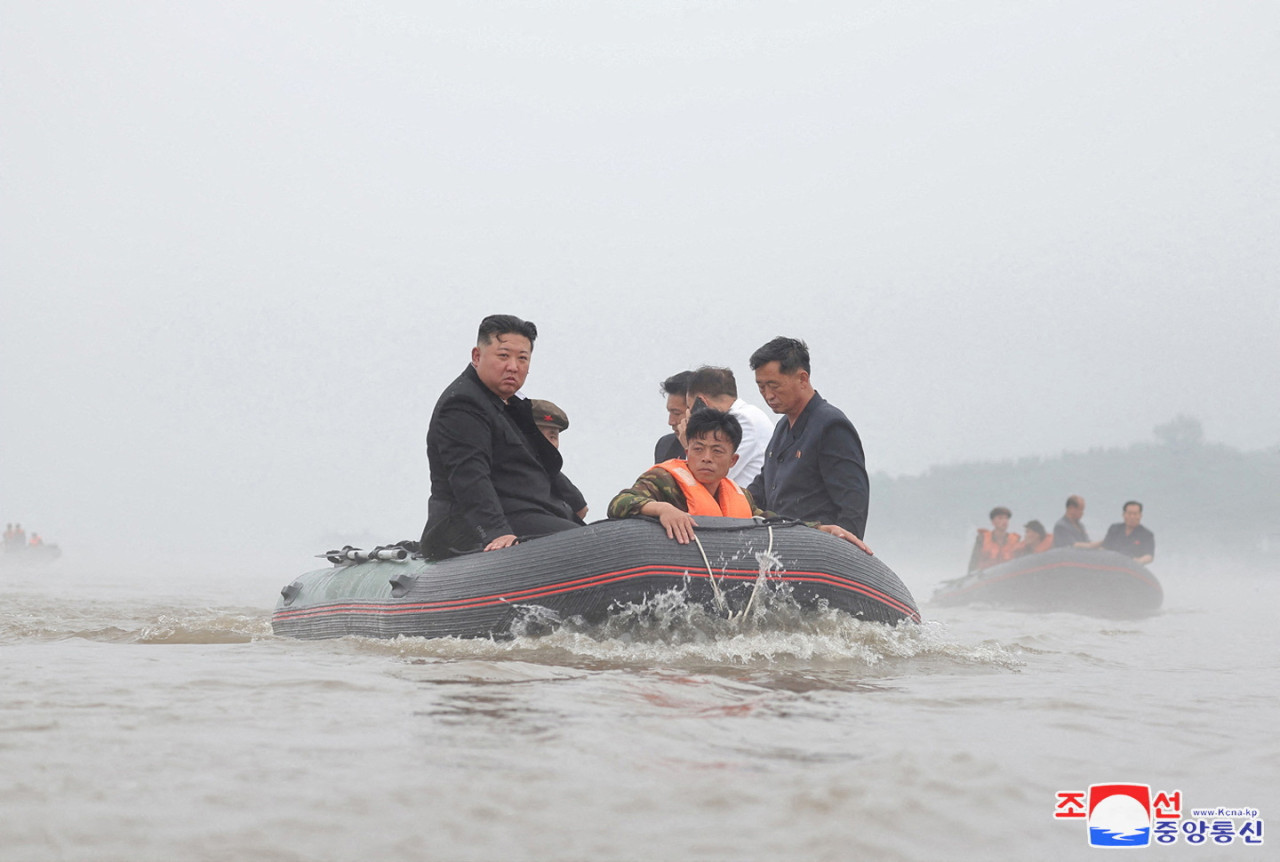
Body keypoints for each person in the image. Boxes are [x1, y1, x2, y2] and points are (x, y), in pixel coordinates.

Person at [420, 315, 583, 560]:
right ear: (477, 356)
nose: (513, 367)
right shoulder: (462, 404)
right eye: (503, 356)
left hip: (528, 512)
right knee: (578, 543)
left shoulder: (511, 405)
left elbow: (535, 460)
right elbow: (469, 476)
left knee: (598, 538)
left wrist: (574, 500)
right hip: (470, 525)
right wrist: (496, 532)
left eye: (522, 358)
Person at [608, 408, 869, 551]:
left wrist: (822, 529)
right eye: (698, 449)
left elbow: (771, 521)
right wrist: (663, 509)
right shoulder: (664, 478)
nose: (706, 458)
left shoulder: (739, 496)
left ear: (733, 461)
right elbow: (620, 503)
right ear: (687, 452)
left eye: (717, 451)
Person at [745, 336, 870, 539]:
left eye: (774, 385)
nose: (768, 395)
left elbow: (852, 504)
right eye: (761, 387)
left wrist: (845, 551)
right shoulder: (782, 427)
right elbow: (762, 487)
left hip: (816, 550)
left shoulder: (831, 426)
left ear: (802, 379)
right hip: (779, 546)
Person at [685, 366, 775, 488]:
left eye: (691, 409)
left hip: (745, 503)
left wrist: (688, 441)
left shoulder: (743, 419)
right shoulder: (750, 414)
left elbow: (704, 478)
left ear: (701, 402)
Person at [530, 398, 589, 520]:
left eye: (553, 437)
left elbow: (581, 509)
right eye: (539, 434)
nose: (547, 443)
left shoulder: (552, 472)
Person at [968, 506, 1021, 572]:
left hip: (1008, 575)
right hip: (986, 578)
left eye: (1006, 518)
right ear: (993, 522)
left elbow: (1020, 562)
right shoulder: (982, 538)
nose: (1004, 521)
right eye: (1000, 518)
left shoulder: (1015, 540)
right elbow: (973, 562)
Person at [654, 371, 692, 463]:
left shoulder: (723, 448)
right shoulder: (665, 445)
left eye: (676, 413)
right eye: (669, 412)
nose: (671, 422)